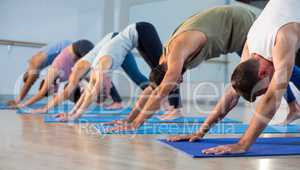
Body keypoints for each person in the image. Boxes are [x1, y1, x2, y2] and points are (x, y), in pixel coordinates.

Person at [169, 0, 300, 155]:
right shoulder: (250, 47)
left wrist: (242, 144)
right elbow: (231, 94)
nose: (265, 92)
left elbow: (272, 99)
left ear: (262, 74)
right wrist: (200, 132)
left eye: (261, 90)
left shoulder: (282, 38)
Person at [108, 6, 256, 131]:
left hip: (241, 23)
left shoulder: (176, 53)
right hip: (232, 30)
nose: (180, 82)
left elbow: (159, 94)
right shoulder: (164, 60)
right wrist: (128, 120)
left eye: (175, 82)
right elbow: (151, 90)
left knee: (258, 74)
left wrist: (135, 124)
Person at [57, 22, 182, 121]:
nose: (110, 88)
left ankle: (175, 110)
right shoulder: (97, 73)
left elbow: (91, 93)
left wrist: (75, 116)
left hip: (142, 29)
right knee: (159, 71)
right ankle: (171, 107)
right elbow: (87, 94)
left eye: (107, 91)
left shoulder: (101, 68)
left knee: (167, 70)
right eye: (108, 91)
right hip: (138, 36)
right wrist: (72, 113)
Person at [31, 32, 149, 113]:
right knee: (135, 75)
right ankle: (157, 93)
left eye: (106, 94)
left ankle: (119, 101)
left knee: (109, 74)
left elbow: (68, 93)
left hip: (108, 41)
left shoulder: (77, 72)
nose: (108, 95)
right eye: (108, 94)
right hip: (118, 43)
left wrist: (45, 108)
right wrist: (73, 113)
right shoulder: (90, 74)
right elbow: (85, 94)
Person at [17, 39, 94, 108]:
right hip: (75, 51)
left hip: (74, 47)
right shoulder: (58, 80)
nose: (34, 80)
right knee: (79, 81)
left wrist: (19, 102)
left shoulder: (34, 65)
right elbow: (58, 96)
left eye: (33, 81)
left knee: (82, 78)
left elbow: (35, 89)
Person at [6, 40, 72, 108]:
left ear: (28, 75)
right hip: (64, 48)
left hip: (64, 48)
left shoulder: (33, 66)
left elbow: (27, 85)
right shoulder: (33, 62)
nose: (36, 79)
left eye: (33, 80)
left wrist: (17, 101)